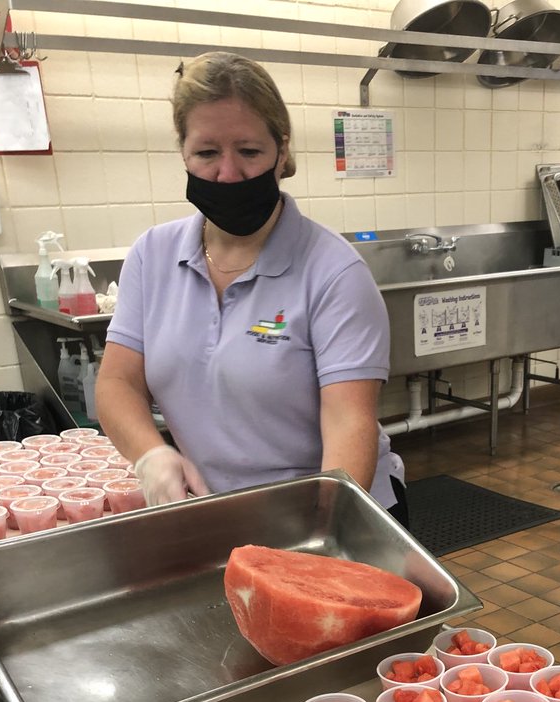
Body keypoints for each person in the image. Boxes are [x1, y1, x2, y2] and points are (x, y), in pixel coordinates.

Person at [95, 51, 407, 524]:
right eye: (206, 152)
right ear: (183, 151)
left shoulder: (332, 272)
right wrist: (151, 455)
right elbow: (118, 382)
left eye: (248, 151)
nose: (227, 173)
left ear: (281, 152)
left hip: (332, 509)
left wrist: (323, 535)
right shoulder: (152, 256)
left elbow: (349, 421)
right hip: (216, 511)